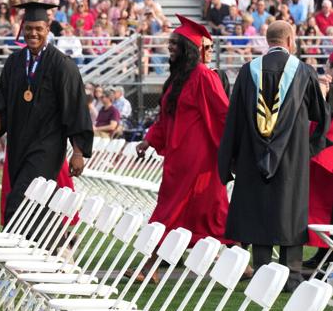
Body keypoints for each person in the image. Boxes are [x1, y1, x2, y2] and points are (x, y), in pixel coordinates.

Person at [218, 21, 330, 292]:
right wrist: (310, 148)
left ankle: (262, 272)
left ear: (268, 41)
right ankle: (291, 276)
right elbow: (319, 114)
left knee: (259, 210)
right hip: (292, 157)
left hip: (252, 157)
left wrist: (230, 160)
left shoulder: (247, 72)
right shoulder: (303, 72)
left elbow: (234, 120)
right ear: (290, 40)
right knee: (289, 210)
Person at [0, 1, 93, 225]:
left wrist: (78, 152)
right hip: (17, 147)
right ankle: (52, 246)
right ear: (23, 28)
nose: (33, 33)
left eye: (38, 29)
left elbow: (76, 109)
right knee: (35, 204)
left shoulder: (62, 65)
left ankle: (10, 255)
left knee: (18, 201)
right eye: (29, 28)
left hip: (47, 146)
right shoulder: (14, 63)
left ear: (48, 28)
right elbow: (0, 106)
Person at [137, 15, 230, 277]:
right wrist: (149, 139)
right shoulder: (178, 78)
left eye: (174, 46)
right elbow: (166, 116)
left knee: (184, 209)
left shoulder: (203, 77)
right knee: (204, 210)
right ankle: (239, 264)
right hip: (179, 159)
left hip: (200, 160)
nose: (170, 50)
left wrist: (231, 150)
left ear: (188, 50)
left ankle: (149, 265)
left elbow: (224, 114)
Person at [306, 56, 333, 268]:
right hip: (324, 149)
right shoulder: (326, 86)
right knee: (323, 207)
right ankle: (323, 253)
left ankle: (326, 255)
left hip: (328, 149)